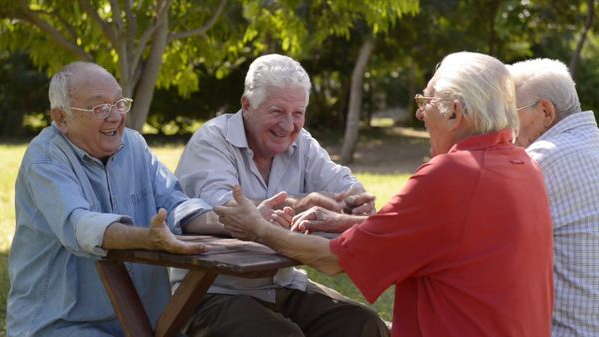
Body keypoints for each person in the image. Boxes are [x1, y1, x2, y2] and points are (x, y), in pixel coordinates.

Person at [214, 51, 555, 337]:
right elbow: (439, 238)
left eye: (427, 100)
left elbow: (334, 260)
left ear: (454, 112)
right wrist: (343, 221)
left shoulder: (452, 174)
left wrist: (259, 229)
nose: (420, 113)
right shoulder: (524, 166)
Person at [173, 53, 388, 337]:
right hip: (211, 293)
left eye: (298, 113)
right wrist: (315, 201)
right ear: (247, 105)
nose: (288, 125)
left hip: (283, 285)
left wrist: (356, 200)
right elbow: (229, 210)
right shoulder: (212, 141)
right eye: (277, 111)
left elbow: (343, 185)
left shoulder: (303, 142)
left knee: (363, 325)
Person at [6, 62, 221, 337]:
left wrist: (228, 220)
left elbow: (177, 204)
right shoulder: (46, 159)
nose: (115, 116)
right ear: (61, 118)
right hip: (61, 325)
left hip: (143, 323)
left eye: (119, 103)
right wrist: (146, 237)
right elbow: (80, 225)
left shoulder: (134, 145)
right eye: (99, 108)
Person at [508, 58, 599, 337]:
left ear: (546, 111)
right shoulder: (592, 142)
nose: (506, 130)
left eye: (511, 115)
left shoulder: (540, 158)